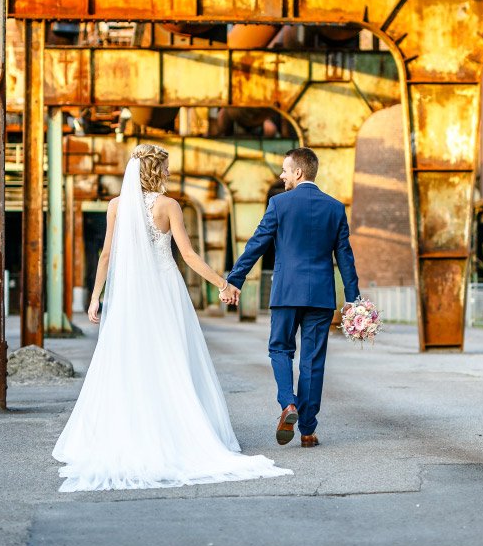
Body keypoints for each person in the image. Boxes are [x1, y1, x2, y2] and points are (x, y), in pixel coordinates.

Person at [52, 144, 291, 492]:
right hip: (165, 290)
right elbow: (189, 255)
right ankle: (180, 430)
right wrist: (223, 283)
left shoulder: (116, 206)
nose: (168, 173)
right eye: (165, 167)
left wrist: (95, 297)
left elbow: (106, 255)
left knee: (129, 359)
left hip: (130, 294)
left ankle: (129, 431)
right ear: (155, 170)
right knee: (172, 358)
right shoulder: (169, 206)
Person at [224, 147, 360, 448]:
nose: (282, 175)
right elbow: (346, 260)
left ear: (298, 172)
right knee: (313, 361)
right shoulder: (335, 208)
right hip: (321, 296)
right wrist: (354, 302)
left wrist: (235, 280)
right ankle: (308, 430)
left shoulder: (279, 204)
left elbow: (257, 244)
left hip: (286, 292)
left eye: (285, 170)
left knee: (280, 350)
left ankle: (288, 404)